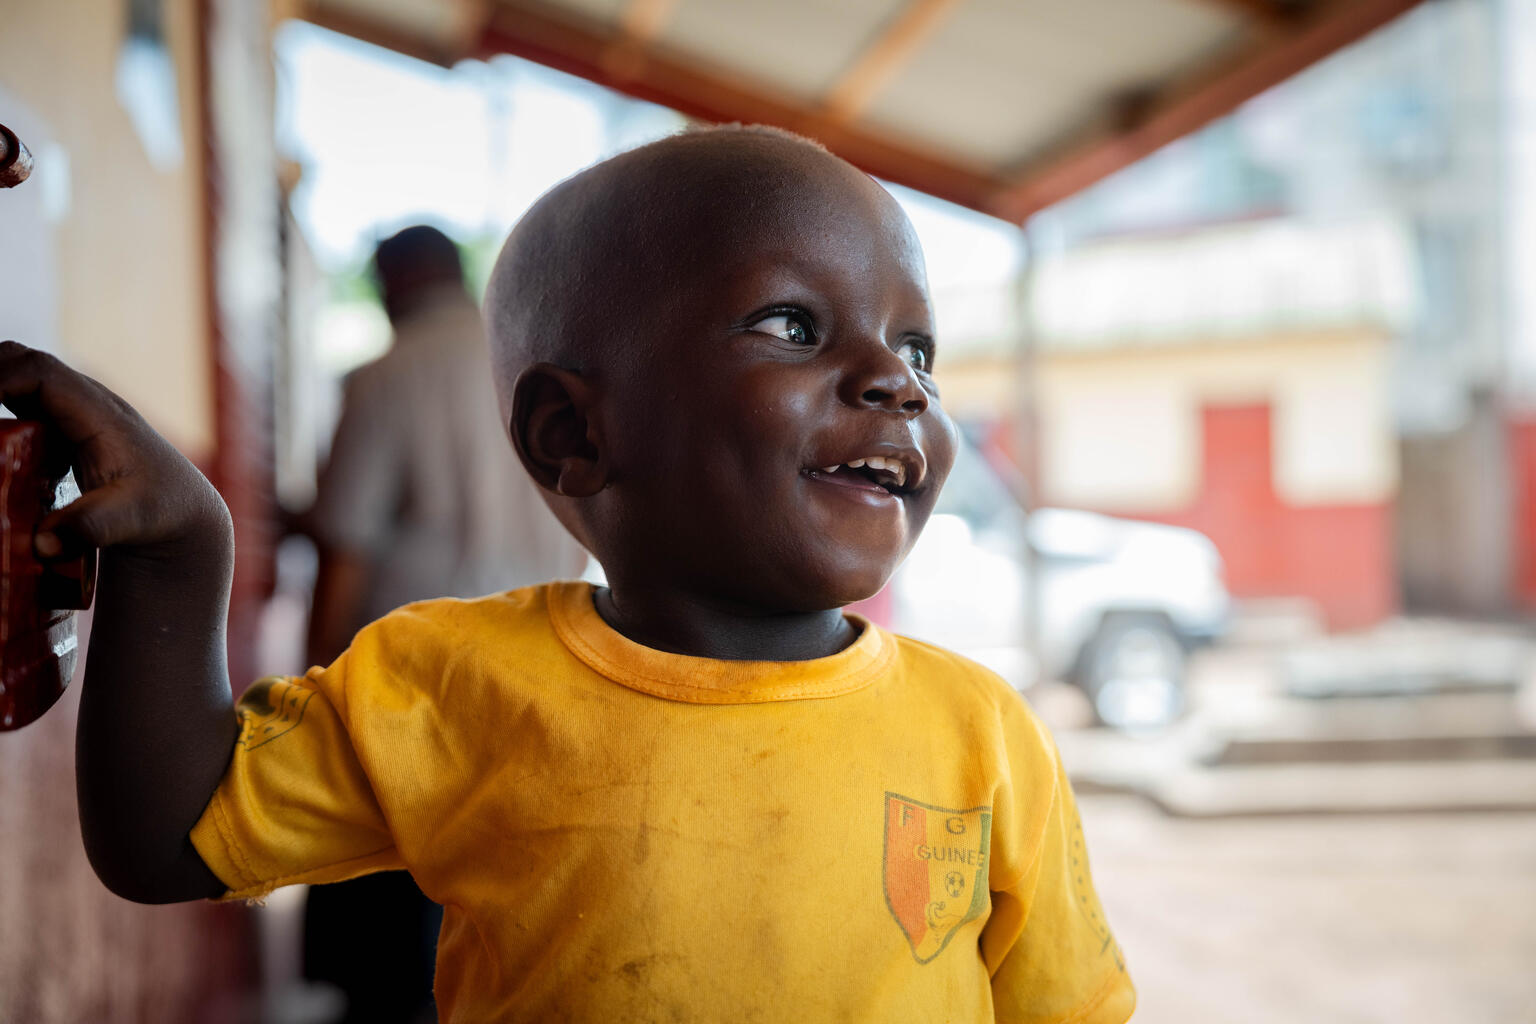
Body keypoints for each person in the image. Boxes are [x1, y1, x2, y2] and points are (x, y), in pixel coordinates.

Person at [7, 125, 1134, 1022]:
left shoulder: (983, 731)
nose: (897, 381)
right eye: (795, 324)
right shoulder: (451, 683)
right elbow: (170, 835)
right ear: (571, 434)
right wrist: (182, 553)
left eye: (918, 349)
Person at [301, 225, 585, 1024]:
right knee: (498, 893)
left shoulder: (388, 375)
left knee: (387, 921)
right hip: (536, 662)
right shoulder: (548, 373)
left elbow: (345, 542)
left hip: (408, 677)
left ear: (395, 285)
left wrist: (314, 675)